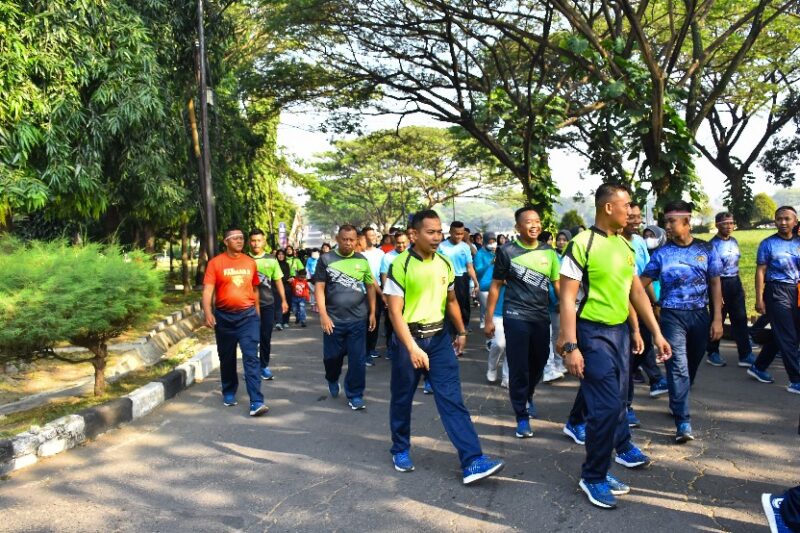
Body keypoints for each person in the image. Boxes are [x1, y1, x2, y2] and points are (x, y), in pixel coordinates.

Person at [558, 183, 672, 510]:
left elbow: (635, 292)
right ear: (609, 207)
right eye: (626, 206)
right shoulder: (582, 244)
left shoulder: (624, 245)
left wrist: (651, 332)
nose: (631, 212)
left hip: (620, 332)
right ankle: (593, 476)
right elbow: (567, 299)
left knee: (617, 405)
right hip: (591, 334)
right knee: (606, 406)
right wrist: (570, 346)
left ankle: (600, 468)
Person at [384, 209, 505, 484]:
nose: (437, 237)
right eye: (431, 232)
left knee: (452, 399)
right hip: (408, 341)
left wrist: (461, 330)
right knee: (402, 399)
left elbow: (451, 301)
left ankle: (473, 460)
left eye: (440, 231)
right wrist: (413, 348)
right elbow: (394, 312)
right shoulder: (400, 265)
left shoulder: (444, 263)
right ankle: (400, 448)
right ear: (414, 234)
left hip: (439, 339)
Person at [641, 200, 723, 443]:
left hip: (700, 315)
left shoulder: (706, 250)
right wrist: (645, 303)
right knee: (678, 366)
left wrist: (717, 318)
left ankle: (679, 395)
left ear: (687, 222)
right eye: (665, 221)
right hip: (671, 316)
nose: (666, 226)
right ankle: (683, 421)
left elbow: (716, 283)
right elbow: (642, 282)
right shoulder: (662, 253)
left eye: (671, 221)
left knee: (692, 363)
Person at [485, 207, 560, 438]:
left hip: (541, 316)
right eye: (528, 222)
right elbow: (496, 285)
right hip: (515, 316)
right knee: (519, 366)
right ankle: (522, 416)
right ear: (518, 227)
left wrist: (570, 313)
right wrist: (489, 318)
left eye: (537, 221)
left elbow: (557, 286)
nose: (534, 225)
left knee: (538, 363)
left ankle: (527, 394)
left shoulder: (549, 253)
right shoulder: (506, 252)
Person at [202, 228, 268, 417]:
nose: (240, 241)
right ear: (226, 241)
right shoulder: (216, 263)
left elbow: (255, 289)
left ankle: (256, 401)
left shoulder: (250, 262)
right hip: (224, 318)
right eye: (236, 238)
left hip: (248, 317)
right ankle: (229, 390)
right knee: (227, 356)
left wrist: (257, 313)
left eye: (241, 238)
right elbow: (208, 291)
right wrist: (208, 313)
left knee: (251, 357)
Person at [313, 225, 377, 410]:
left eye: (351, 239)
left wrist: (372, 312)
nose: (348, 243)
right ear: (337, 239)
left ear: (357, 240)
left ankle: (355, 394)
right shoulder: (326, 259)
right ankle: (332, 378)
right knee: (332, 358)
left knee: (357, 360)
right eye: (344, 239)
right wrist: (323, 315)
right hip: (334, 321)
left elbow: (370, 286)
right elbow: (319, 288)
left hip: (358, 320)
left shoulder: (362, 260)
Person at [623, 203, 668, 427]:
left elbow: (644, 278)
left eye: (639, 217)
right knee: (628, 358)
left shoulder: (639, 242)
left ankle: (655, 380)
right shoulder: (610, 245)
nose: (637, 221)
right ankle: (626, 406)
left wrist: (655, 303)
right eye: (632, 217)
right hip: (617, 309)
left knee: (641, 348)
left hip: (639, 303)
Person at [755, 206, 800, 394]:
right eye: (779, 219)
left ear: (795, 222)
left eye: (787, 219)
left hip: (797, 290)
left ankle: (758, 366)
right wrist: (759, 298)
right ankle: (796, 380)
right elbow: (760, 271)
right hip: (776, 291)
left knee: (789, 333)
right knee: (788, 336)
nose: (783, 222)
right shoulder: (768, 244)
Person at [705, 212, 756, 368]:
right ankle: (713, 352)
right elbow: (710, 272)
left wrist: (740, 286)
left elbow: (736, 264)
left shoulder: (734, 241)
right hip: (719, 283)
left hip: (735, 282)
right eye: (725, 223)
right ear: (717, 225)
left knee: (740, 318)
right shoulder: (712, 245)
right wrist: (717, 296)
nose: (728, 226)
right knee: (717, 318)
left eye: (731, 223)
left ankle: (745, 354)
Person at [248, 229, 288, 381]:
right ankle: (251, 368)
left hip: (267, 304)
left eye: (259, 240)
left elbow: (277, 280)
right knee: (250, 338)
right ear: (249, 242)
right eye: (253, 240)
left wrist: (283, 300)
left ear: (263, 241)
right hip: (248, 305)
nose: (256, 243)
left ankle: (263, 366)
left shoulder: (272, 259)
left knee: (265, 336)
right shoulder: (244, 259)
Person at [437, 221, 480, 342]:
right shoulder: (441, 247)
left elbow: (469, 266)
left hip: (461, 278)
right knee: (448, 305)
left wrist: (475, 282)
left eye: (461, 234)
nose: (458, 236)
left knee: (463, 304)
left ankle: (462, 328)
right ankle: (449, 332)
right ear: (450, 232)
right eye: (456, 234)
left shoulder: (465, 247)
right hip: (445, 279)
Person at [381, 231, 410, 361]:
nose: (401, 245)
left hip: (410, 296)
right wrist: (386, 296)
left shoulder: (413, 255)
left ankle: (406, 348)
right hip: (393, 295)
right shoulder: (387, 257)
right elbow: (384, 276)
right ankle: (390, 349)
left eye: (404, 242)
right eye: (398, 243)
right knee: (391, 323)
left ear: (408, 242)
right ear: (394, 243)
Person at [361, 227, 386, 361]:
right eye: (369, 235)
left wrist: (383, 292)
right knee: (365, 321)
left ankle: (372, 348)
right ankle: (364, 352)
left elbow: (383, 273)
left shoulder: (380, 253)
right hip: (364, 291)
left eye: (374, 235)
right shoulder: (360, 254)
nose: (372, 237)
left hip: (378, 290)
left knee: (375, 318)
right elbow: (369, 277)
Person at [474, 233, 497, 329]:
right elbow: (478, 271)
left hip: (495, 284)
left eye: (494, 242)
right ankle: (484, 325)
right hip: (484, 285)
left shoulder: (495, 252)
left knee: (493, 307)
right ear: (485, 242)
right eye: (490, 242)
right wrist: (489, 263)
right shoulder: (479, 254)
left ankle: (490, 325)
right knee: (486, 308)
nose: (492, 244)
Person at [274, 249, 292, 329]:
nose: (280, 256)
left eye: (282, 254)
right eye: (279, 254)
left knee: (287, 303)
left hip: (286, 287)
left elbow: (287, 276)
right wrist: (283, 279)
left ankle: (285, 321)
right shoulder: (274, 264)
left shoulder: (286, 264)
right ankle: (279, 322)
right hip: (276, 287)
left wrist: (283, 279)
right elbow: (275, 278)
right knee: (278, 304)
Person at [305, 248, 321, 312]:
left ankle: (317, 306)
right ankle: (312, 305)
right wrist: (308, 277)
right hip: (311, 278)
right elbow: (307, 268)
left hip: (318, 277)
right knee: (312, 292)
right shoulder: (309, 259)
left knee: (318, 292)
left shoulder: (320, 259)